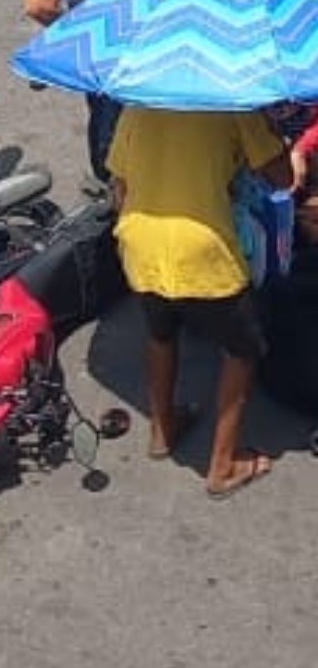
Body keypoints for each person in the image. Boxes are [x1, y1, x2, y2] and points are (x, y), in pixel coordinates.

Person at [106, 108, 292, 499]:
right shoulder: (235, 107)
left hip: (141, 244)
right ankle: (223, 467)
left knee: (160, 333)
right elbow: (283, 177)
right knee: (241, 350)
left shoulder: (136, 108)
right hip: (203, 250)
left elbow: (119, 184)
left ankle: (162, 429)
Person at [23, 0, 123, 189]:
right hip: (110, 62)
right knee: (112, 135)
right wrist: (82, 31)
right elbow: (38, 4)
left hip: (125, 57)